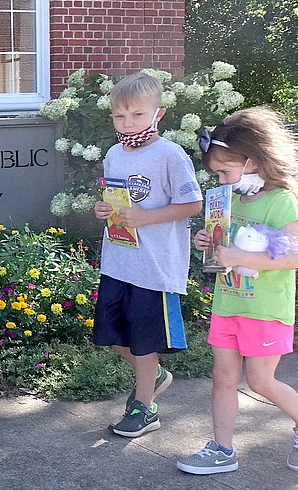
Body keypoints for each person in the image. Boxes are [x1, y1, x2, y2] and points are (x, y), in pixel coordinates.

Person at [178, 106, 298, 474]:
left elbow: (293, 256)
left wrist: (237, 254)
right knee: (223, 377)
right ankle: (222, 448)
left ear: (250, 161)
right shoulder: (228, 201)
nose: (220, 179)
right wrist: (209, 242)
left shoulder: (279, 201)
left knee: (261, 381)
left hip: (264, 309)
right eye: (215, 172)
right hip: (228, 303)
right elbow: (224, 245)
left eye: (224, 171)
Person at [92, 73, 203, 437]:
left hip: (154, 267)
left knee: (144, 340)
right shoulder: (112, 154)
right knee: (112, 334)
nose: (128, 124)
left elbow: (192, 203)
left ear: (159, 113)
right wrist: (104, 210)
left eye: (138, 115)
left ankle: (146, 408)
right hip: (119, 261)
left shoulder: (170, 154)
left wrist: (147, 217)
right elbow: (117, 200)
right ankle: (153, 375)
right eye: (120, 117)